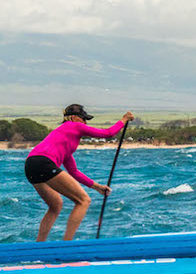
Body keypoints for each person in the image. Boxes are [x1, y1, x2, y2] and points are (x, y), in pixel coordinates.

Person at [24, 104, 134, 242]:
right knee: (83, 200)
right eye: (84, 119)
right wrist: (124, 119)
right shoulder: (73, 125)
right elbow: (108, 133)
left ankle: (39, 245)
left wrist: (97, 187)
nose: (85, 123)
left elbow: (74, 172)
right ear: (75, 118)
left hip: (31, 165)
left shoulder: (64, 137)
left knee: (55, 205)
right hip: (44, 163)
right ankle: (68, 244)